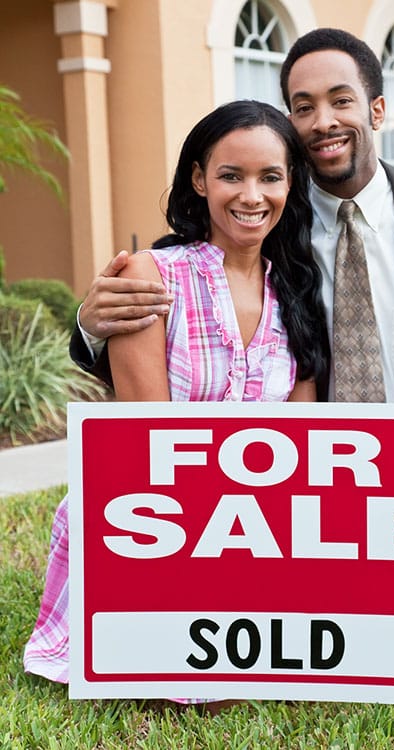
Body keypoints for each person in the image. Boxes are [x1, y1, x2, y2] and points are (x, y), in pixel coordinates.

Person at [69, 28, 394, 690]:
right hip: (313, 514)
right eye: (301, 106)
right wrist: (89, 325)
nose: (322, 121)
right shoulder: (265, 224)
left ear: (377, 110)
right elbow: (170, 314)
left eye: (339, 100)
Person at [23, 99, 329, 709]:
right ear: (199, 179)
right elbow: (148, 445)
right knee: (203, 694)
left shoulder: (298, 290)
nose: (251, 195)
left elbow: (302, 450)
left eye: (270, 176)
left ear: (291, 184)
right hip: (155, 519)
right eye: (230, 175)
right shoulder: (150, 276)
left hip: (255, 525)